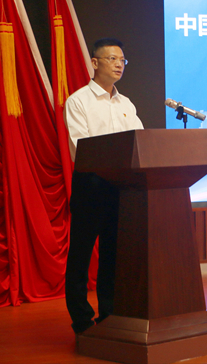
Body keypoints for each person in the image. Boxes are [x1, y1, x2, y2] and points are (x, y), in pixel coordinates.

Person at [63, 38, 143, 334]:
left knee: (113, 255)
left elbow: (140, 143)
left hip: (121, 188)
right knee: (81, 255)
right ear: (95, 63)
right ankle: (82, 320)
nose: (119, 64)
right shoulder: (78, 101)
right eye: (112, 59)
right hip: (91, 185)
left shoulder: (126, 104)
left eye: (122, 60)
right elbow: (80, 148)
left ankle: (109, 313)